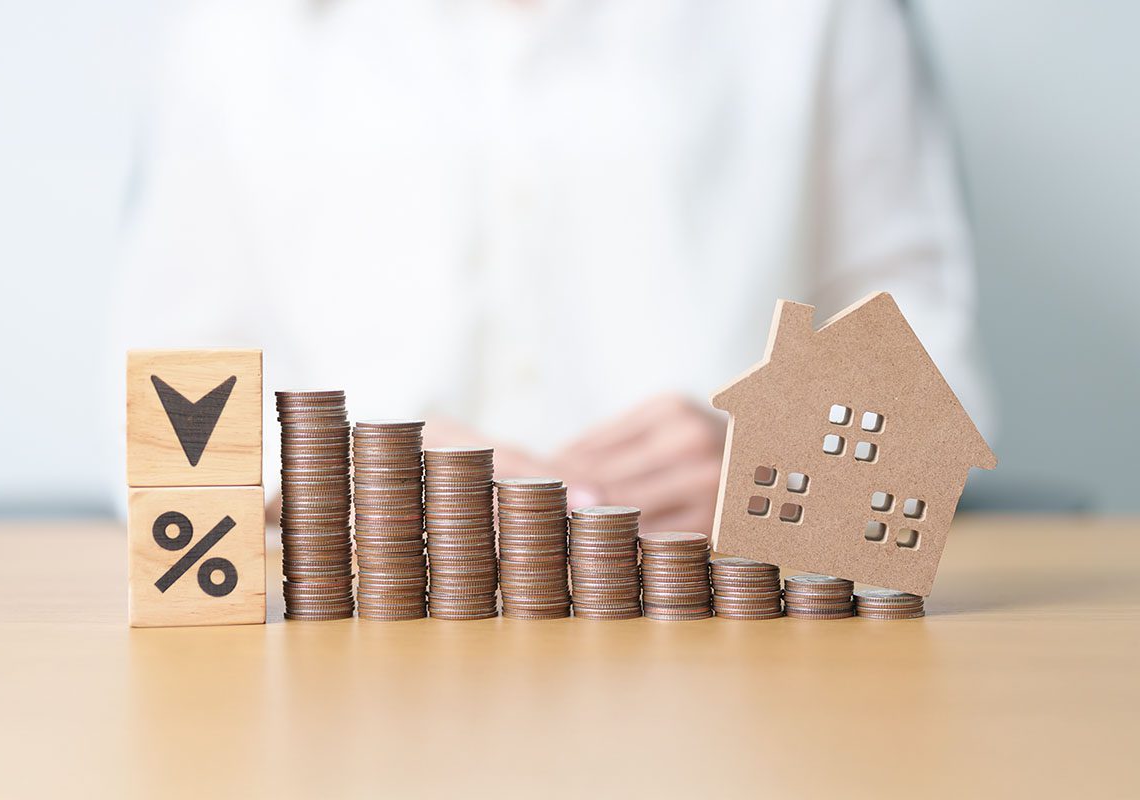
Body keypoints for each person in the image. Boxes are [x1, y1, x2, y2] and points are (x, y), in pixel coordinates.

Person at [113, 0, 992, 534]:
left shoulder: (822, 14)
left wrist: (796, 470)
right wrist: (322, 482)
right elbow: (159, 387)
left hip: (736, 650)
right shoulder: (229, 33)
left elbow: (927, 352)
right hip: (337, 658)